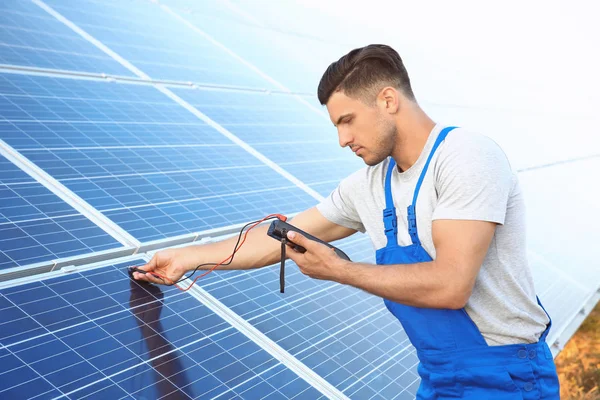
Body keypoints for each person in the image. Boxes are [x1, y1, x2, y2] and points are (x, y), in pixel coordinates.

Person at [133, 44, 560, 399]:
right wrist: (188, 257)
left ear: (388, 100)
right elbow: (278, 239)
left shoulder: (466, 157)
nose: (342, 140)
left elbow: (451, 286)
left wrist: (339, 271)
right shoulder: (370, 185)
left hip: (506, 376)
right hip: (438, 377)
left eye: (347, 120)